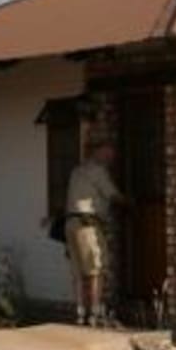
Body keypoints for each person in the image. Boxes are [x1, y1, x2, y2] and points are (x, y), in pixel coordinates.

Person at [65, 139, 126, 326]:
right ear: (98, 151)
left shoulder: (77, 171)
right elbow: (113, 195)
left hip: (71, 224)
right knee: (95, 268)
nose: (111, 157)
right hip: (87, 224)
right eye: (108, 153)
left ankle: (80, 313)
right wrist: (131, 203)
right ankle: (95, 313)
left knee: (78, 270)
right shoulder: (98, 171)